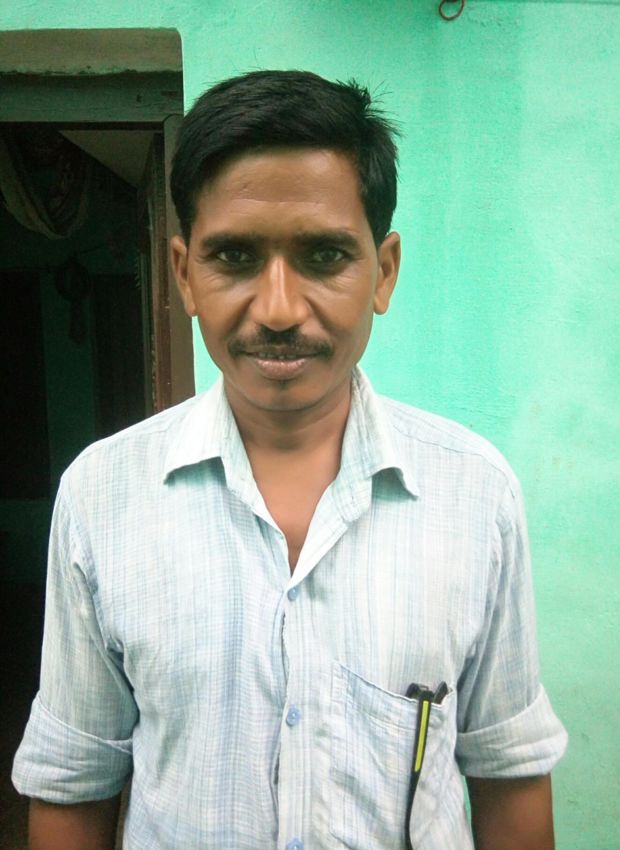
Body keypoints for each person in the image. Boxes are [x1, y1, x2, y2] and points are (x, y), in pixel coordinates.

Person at [13, 70, 567, 850]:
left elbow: (508, 774)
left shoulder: (476, 494)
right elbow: (73, 784)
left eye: (324, 255)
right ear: (184, 274)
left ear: (383, 272)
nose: (278, 309)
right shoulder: (100, 496)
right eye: (235, 256)